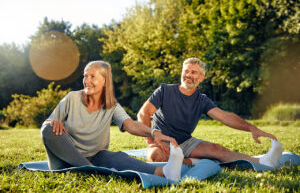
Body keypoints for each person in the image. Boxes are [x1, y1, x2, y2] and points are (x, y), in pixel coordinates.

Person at [41, 60, 184, 181]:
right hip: (66, 160)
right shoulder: (72, 98)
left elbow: (131, 125)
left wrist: (154, 132)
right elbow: (47, 124)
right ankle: (89, 169)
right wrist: (53, 123)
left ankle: (164, 172)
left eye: (92, 76)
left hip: (96, 157)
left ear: (105, 81)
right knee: (48, 130)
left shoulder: (112, 106)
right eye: (85, 76)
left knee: (117, 157)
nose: (87, 81)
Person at [138, 57, 283, 168]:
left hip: (186, 142)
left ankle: (263, 162)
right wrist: (151, 141)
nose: (188, 75)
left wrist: (251, 128)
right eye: (186, 71)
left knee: (217, 149)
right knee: (155, 156)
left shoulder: (202, 100)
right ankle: (191, 161)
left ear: (201, 78)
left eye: (193, 72)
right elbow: (143, 114)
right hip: (161, 141)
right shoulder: (165, 90)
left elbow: (225, 117)